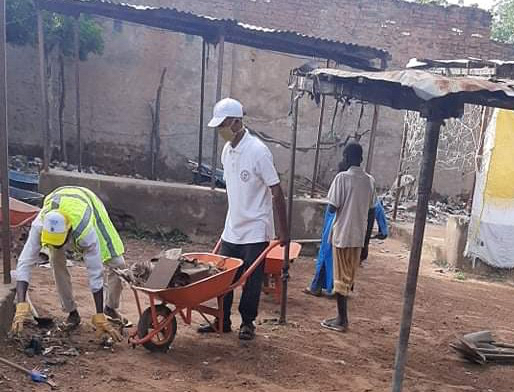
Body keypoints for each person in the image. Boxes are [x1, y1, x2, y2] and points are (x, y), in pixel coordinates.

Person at [198, 97, 288, 340]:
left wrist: (284, 230)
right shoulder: (227, 152)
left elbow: (277, 190)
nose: (221, 131)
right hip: (233, 226)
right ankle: (222, 319)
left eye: (223, 125)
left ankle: (247, 323)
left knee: (251, 280)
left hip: (256, 228)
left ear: (237, 122)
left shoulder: (258, 151)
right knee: (222, 276)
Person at [11, 186, 127, 342]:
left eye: (61, 242)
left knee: (118, 263)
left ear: (68, 232)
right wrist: (21, 304)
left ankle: (109, 308)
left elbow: (95, 272)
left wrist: (98, 314)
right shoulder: (40, 225)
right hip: (59, 198)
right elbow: (24, 262)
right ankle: (72, 312)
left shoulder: (85, 231)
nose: (59, 247)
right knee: (56, 261)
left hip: (89, 203)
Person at [321, 142, 375, 332]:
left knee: (340, 278)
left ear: (346, 157)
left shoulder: (342, 178)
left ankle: (342, 319)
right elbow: (372, 212)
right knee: (349, 275)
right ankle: (341, 317)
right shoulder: (369, 181)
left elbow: (332, 207)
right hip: (359, 237)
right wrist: (367, 243)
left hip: (343, 234)